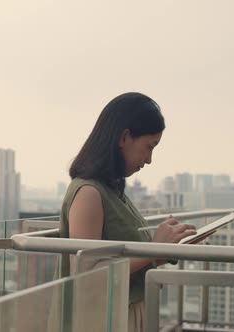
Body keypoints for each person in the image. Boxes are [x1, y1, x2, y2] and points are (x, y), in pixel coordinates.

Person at [59, 92, 197, 331]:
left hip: (126, 311)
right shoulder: (89, 193)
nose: (150, 159)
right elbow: (87, 274)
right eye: (149, 147)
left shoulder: (111, 191)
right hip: (108, 319)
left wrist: (169, 247)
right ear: (125, 137)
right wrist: (154, 249)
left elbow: (125, 261)